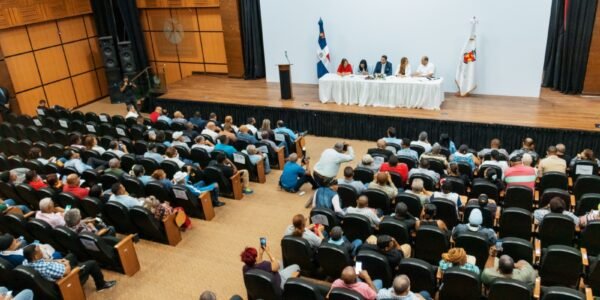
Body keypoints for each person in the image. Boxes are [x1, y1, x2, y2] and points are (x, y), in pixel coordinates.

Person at [22, 244, 117, 291]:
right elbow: (66, 272)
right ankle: (101, 285)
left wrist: (57, 261)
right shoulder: (45, 267)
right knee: (92, 263)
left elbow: (44, 261)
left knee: (71, 255)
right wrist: (66, 263)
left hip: (57, 268)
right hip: (66, 279)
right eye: (39, 251)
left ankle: (80, 268)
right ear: (35, 256)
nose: (42, 251)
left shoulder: (27, 261)